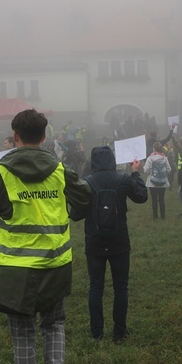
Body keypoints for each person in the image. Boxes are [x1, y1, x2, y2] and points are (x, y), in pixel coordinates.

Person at [0, 109, 91, 364]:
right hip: (55, 264)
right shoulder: (60, 170)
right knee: (54, 325)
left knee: (22, 335)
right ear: (44, 136)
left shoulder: (1, 172)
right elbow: (84, 198)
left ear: (15, 137)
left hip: (13, 271)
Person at [70, 145, 147, 343]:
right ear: (112, 160)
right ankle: (119, 332)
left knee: (95, 286)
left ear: (92, 161)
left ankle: (97, 332)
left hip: (94, 241)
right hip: (119, 240)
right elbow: (141, 197)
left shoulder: (86, 183)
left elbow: (75, 215)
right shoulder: (124, 179)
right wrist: (136, 173)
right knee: (121, 287)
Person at [143, 142, 171, 219]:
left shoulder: (150, 158)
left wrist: (150, 172)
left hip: (152, 182)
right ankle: (163, 216)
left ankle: (155, 217)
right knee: (161, 199)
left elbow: (146, 170)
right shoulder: (164, 158)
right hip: (163, 182)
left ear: (154, 149)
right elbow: (169, 169)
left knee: (154, 200)